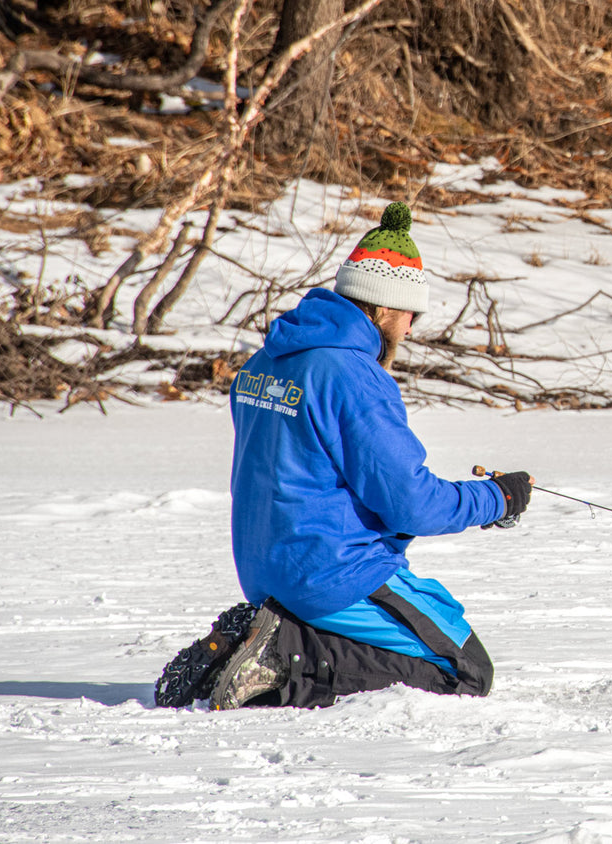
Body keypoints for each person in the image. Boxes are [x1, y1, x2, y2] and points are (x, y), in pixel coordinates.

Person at [154, 201, 533, 710]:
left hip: (265, 569)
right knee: (464, 671)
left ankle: (267, 641)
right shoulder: (352, 376)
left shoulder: (266, 362)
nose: (412, 329)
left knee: (430, 626)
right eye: (411, 316)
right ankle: (286, 651)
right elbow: (412, 504)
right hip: (331, 574)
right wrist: (497, 498)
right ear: (387, 308)